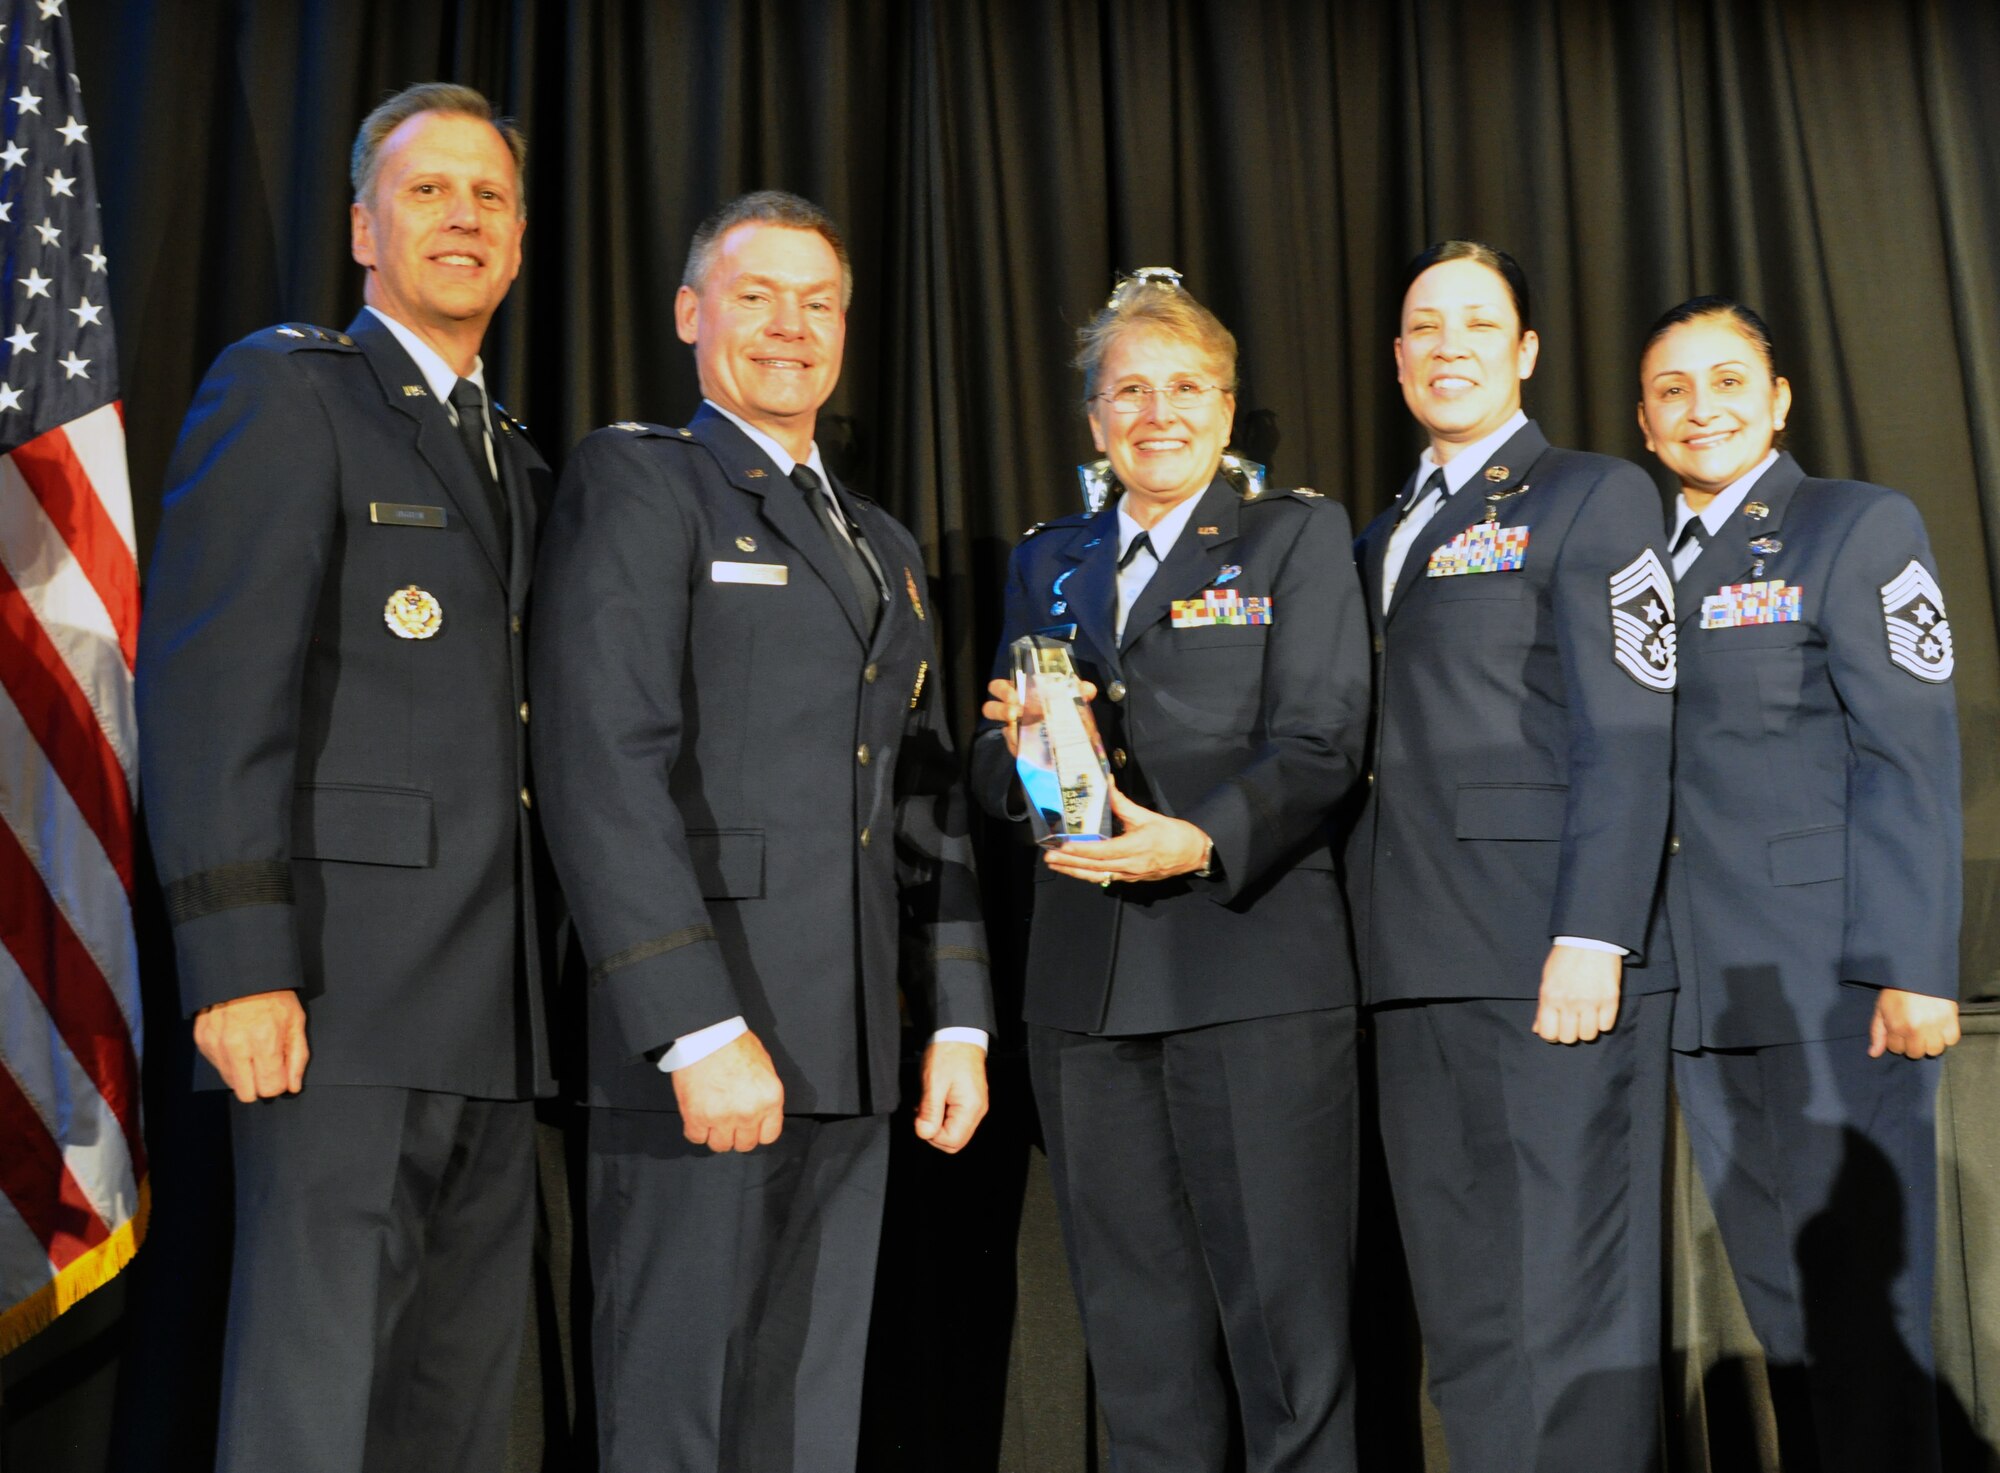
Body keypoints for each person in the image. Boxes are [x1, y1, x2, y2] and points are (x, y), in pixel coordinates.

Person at [530, 190, 994, 1473]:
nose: (789, 327)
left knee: (802, 1419)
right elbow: (598, 758)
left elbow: (923, 788)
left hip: (846, 1040)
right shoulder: (641, 479)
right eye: (755, 295)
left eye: (818, 301)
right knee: (679, 1417)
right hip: (704, 1035)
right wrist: (693, 1024)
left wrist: (954, 1014)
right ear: (691, 315)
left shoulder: (883, 545)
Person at [136, 83, 550, 1473]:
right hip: (334, 997)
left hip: (499, 1015)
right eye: (430, 190)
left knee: (449, 1403)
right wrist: (239, 958)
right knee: (309, 1405)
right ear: (364, 225)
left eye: (489, 196)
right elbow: (208, 695)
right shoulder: (287, 389)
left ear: (520, 236)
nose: (463, 218)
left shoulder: (526, 462)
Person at [972, 271, 1372, 1472]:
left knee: (1289, 1342)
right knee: (1136, 1348)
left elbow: (1323, 744)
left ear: (1226, 407)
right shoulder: (1045, 560)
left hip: (1249, 970)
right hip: (1088, 996)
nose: (1157, 412)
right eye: (1127, 390)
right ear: (1093, 420)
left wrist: (1196, 838)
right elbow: (1004, 781)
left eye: (1184, 387)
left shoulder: (1291, 534)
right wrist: (1016, 750)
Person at [1346, 241, 1677, 1472]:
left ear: (1524, 352)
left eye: (1476, 324)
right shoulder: (1378, 529)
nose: (1447, 346)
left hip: (1549, 966)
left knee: (1570, 1316)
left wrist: (1592, 933)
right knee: (1472, 1320)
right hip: (1408, 968)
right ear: (1395, 359)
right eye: (1423, 325)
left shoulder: (1592, 494)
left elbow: (1632, 727)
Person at [1638, 295, 1961, 1471]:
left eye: (1725, 381)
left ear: (1775, 401)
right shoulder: (1630, 556)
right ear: (1642, 419)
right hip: (1699, 989)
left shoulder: (1853, 526)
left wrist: (1913, 969)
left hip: (1837, 983)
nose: (1698, 408)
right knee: (1779, 1314)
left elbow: (1908, 754)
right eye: (1671, 389)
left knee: (1860, 1324)